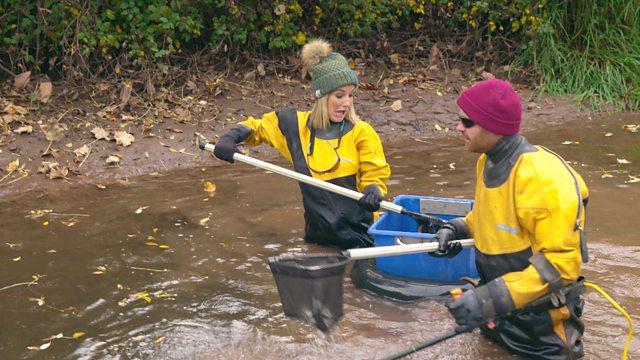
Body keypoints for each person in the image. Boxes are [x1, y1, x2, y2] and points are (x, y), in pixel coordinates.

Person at [431, 79, 589, 358]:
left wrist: (489, 299)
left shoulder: (540, 178)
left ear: (495, 127)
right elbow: (490, 217)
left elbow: (562, 264)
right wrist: (456, 228)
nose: (458, 127)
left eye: (467, 122)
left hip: (542, 326)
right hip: (500, 310)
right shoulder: (487, 160)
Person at [212, 39, 390, 250]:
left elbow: (375, 172)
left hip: (362, 239)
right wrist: (231, 137)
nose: (347, 103)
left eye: (351, 95)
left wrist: (373, 190)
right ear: (321, 96)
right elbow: (259, 128)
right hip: (318, 238)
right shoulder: (295, 127)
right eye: (339, 95)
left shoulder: (361, 132)